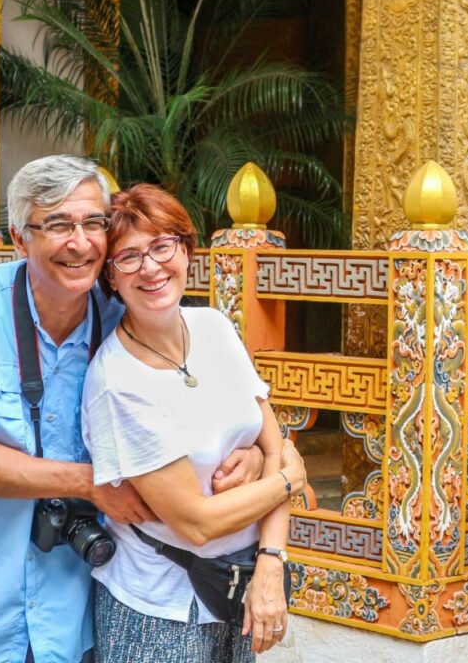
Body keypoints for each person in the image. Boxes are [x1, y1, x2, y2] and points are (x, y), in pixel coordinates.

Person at [0, 156, 265, 663]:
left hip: (72, 617)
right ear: (20, 239)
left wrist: (254, 457)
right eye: (58, 225)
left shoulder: (126, 320)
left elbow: (206, 418)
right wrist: (91, 483)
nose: (80, 241)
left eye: (93, 223)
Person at [81, 184, 306, 662]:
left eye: (163, 246)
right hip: (157, 610)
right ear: (111, 278)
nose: (151, 267)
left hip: (239, 587)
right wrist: (288, 478)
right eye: (129, 257)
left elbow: (274, 441)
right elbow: (197, 524)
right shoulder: (118, 381)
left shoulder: (214, 329)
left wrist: (271, 560)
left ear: (185, 250)